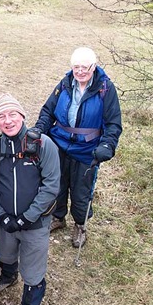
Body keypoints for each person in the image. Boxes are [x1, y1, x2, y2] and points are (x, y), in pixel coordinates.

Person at [0, 93, 60, 305]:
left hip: (35, 224)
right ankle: (8, 275)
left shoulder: (43, 145)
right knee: (5, 256)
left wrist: (27, 218)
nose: (8, 121)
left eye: (12, 114)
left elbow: (51, 187)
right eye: (1, 117)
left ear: (23, 115)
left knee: (33, 274)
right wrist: (1, 215)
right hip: (7, 221)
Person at [35, 46, 122, 248]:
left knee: (81, 192)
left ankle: (80, 225)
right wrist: (40, 129)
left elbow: (113, 123)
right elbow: (48, 111)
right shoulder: (65, 84)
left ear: (94, 67)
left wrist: (107, 144)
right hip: (60, 143)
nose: (80, 71)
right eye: (76, 67)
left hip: (87, 149)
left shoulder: (105, 89)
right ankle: (58, 217)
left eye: (85, 67)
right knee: (56, 184)